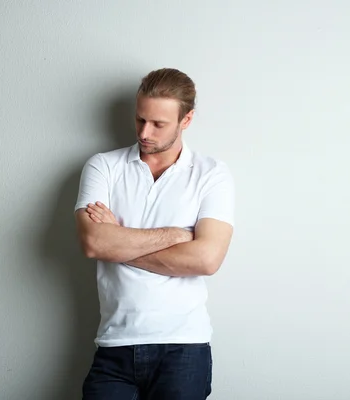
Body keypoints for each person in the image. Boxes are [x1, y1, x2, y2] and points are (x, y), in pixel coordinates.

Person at [74, 68, 235, 400]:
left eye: (158, 124)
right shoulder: (103, 166)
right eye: (140, 119)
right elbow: (94, 242)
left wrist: (118, 239)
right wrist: (176, 235)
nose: (144, 133)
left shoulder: (212, 174)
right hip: (114, 345)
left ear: (186, 120)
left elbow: (206, 259)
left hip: (184, 349)